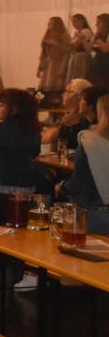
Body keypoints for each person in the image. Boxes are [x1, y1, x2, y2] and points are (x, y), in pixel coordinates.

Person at [60, 94, 109, 235]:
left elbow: (77, 184)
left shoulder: (90, 142)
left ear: (101, 115)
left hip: (95, 216)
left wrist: (62, 187)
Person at [0, 88, 41, 194]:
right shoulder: (34, 132)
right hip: (24, 187)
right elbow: (35, 153)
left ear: (14, 109)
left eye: (2, 105)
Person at [37, 17, 72, 96]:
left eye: (51, 23)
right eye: (49, 23)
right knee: (43, 89)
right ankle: (43, 101)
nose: (48, 25)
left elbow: (68, 50)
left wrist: (55, 43)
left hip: (58, 64)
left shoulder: (65, 36)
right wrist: (39, 68)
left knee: (56, 87)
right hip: (47, 64)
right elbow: (43, 53)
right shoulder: (47, 35)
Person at [65, 14, 94, 83]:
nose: (73, 24)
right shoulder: (76, 32)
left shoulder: (86, 31)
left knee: (79, 77)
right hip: (75, 56)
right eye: (72, 22)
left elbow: (75, 45)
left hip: (81, 57)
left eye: (75, 22)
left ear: (82, 21)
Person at [91, 13, 109, 89]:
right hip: (97, 67)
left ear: (105, 23)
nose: (96, 25)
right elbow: (90, 50)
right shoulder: (99, 35)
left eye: (98, 23)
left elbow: (106, 49)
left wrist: (97, 39)